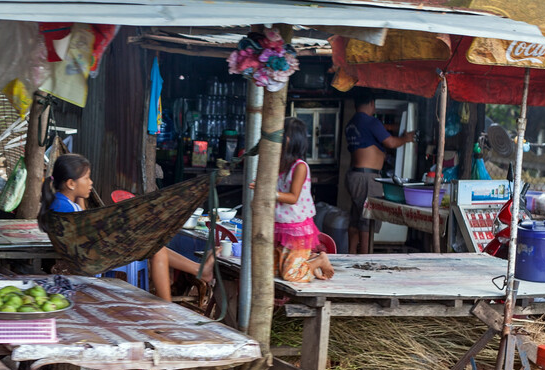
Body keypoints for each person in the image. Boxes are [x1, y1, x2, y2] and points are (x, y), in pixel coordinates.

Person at [37, 153, 214, 302]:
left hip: (90, 252)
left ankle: (198, 271)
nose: (91, 182)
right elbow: (83, 228)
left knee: (155, 244)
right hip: (92, 257)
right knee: (156, 249)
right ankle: (167, 306)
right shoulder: (62, 207)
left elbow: (82, 221)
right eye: (86, 178)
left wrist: (80, 196)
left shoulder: (64, 202)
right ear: (71, 183)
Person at [255, 117, 334, 282]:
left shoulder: (300, 167)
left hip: (296, 228)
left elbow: (292, 197)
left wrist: (267, 191)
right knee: (273, 273)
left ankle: (318, 260)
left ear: (289, 139)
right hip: (279, 225)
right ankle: (309, 264)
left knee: (291, 275)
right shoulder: (280, 166)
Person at [344, 88, 415, 254]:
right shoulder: (371, 122)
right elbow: (390, 143)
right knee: (368, 219)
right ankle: (364, 259)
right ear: (371, 103)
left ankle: (351, 255)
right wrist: (406, 138)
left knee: (356, 218)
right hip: (366, 177)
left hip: (355, 175)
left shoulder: (352, 123)